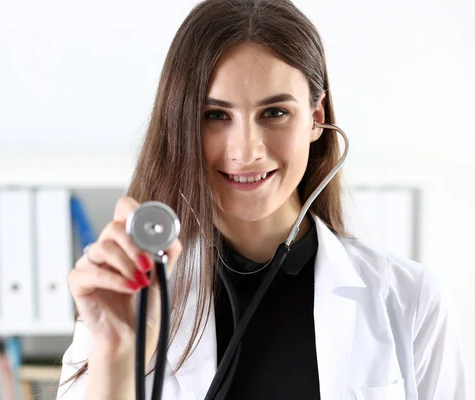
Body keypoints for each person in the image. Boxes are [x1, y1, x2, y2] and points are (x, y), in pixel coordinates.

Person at [57, 0, 468, 399]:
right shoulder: (129, 299)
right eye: (215, 115)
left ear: (316, 119)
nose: (247, 151)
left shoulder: (412, 301)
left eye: (274, 113)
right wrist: (116, 354)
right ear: (180, 125)